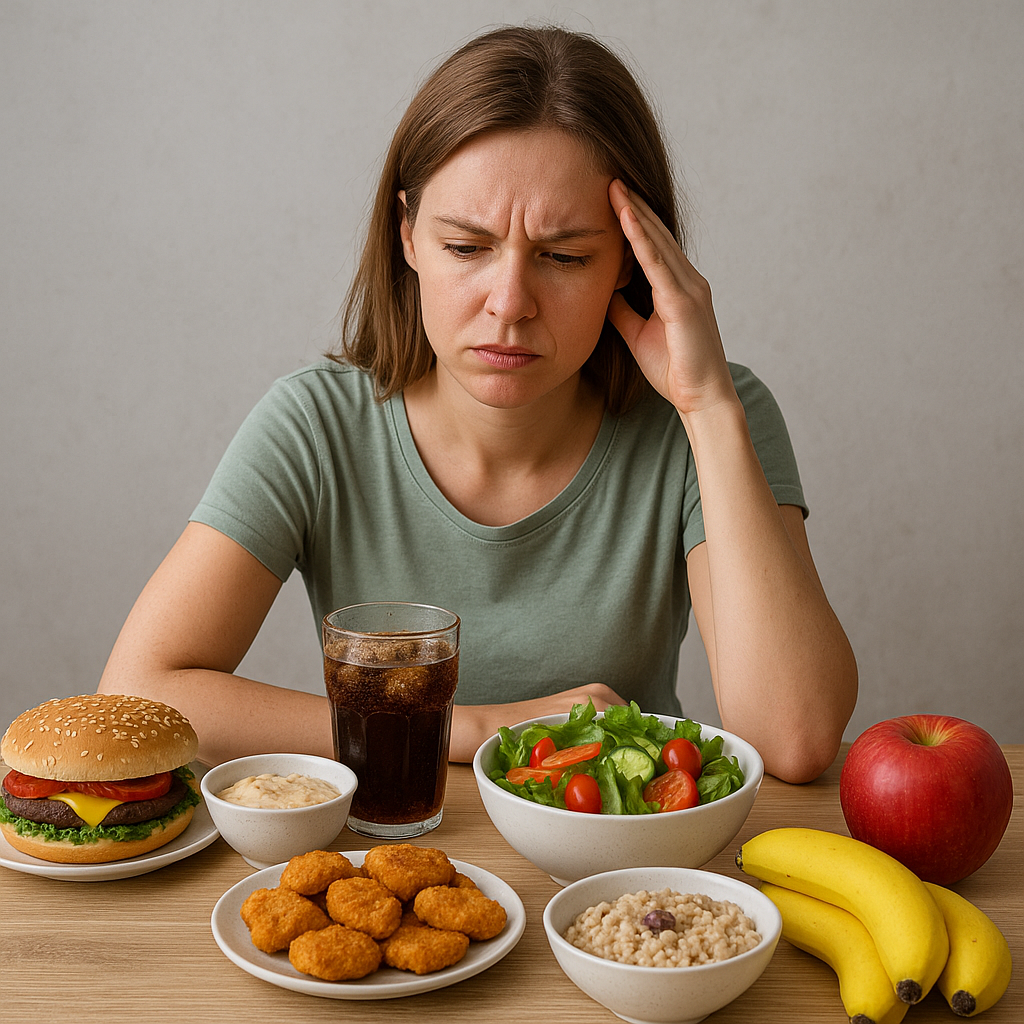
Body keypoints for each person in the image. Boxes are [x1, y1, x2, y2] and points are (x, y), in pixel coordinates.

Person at [98, 25, 857, 783]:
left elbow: (794, 737)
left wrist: (708, 407)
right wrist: (478, 727)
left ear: (632, 260)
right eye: (466, 247)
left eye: (565, 257)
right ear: (408, 236)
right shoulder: (314, 427)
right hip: (386, 848)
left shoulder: (713, 416)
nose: (510, 304)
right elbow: (138, 692)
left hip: (617, 876)